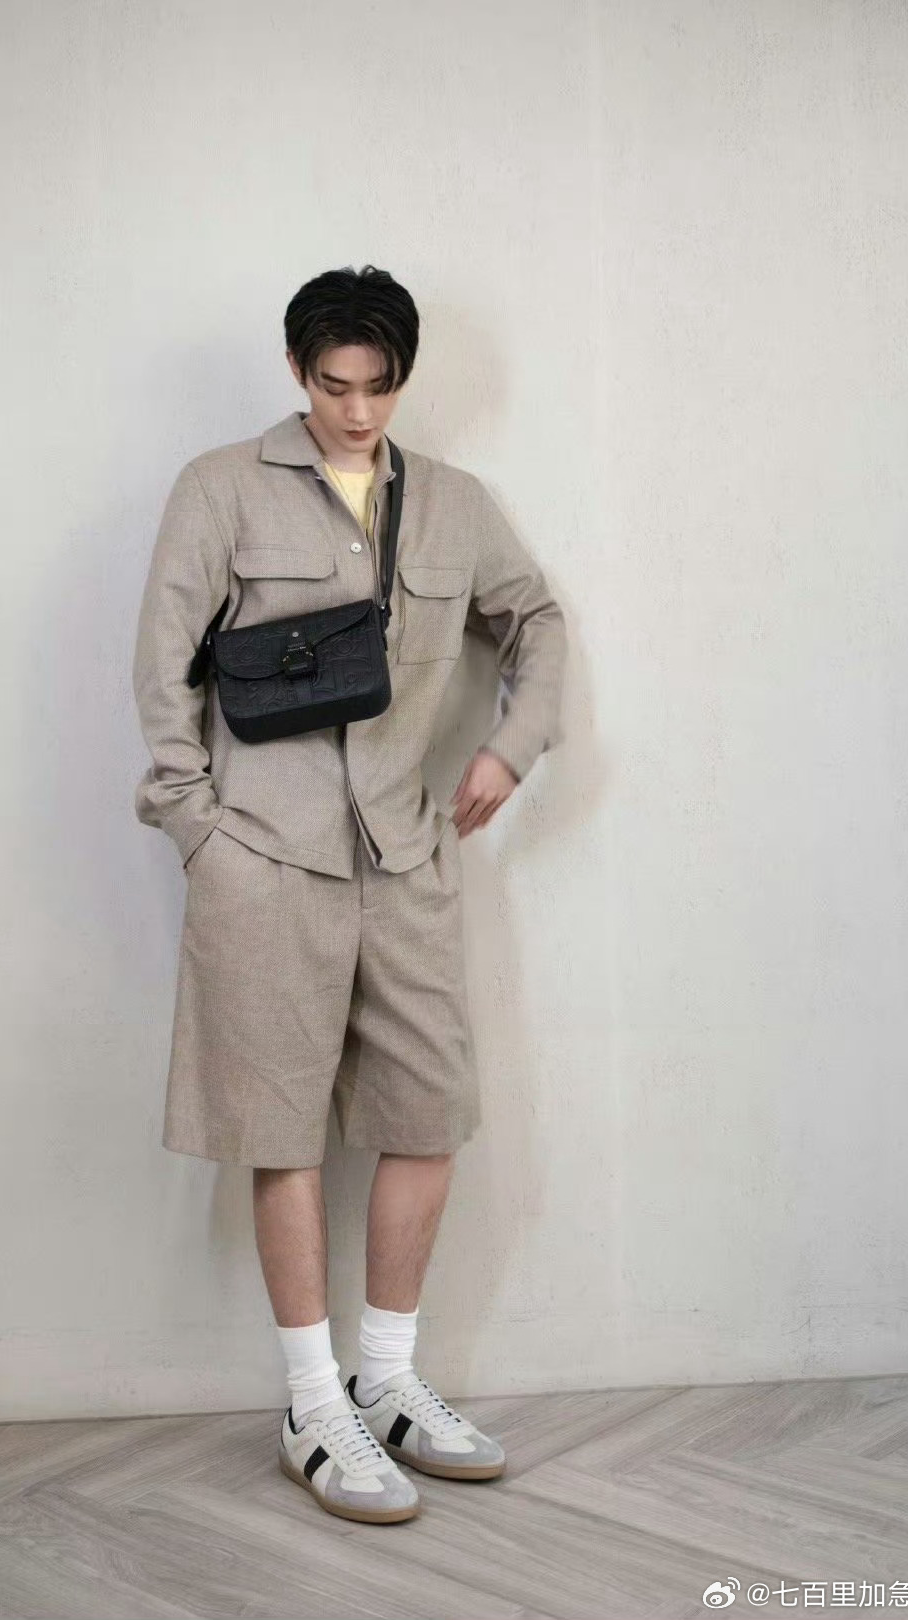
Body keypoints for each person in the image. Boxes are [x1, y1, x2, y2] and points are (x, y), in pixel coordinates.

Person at [131, 264, 567, 1524]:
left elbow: (537, 621)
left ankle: (389, 1379)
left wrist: (508, 749)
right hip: (263, 860)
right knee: (279, 1129)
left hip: (407, 855)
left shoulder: (456, 505)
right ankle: (312, 1403)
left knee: (426, 1112)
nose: (357, 411)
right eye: (333, 385)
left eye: (378, 386)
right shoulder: (220, 488)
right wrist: (199, 831)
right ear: (297, 371)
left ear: (403, 379)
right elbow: (162, 672)